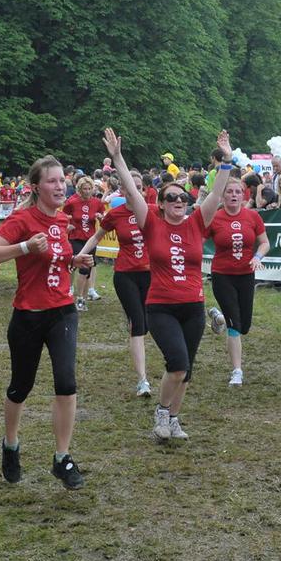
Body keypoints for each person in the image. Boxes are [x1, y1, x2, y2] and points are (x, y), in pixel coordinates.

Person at [0, 155, 94, 489]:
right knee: (20, 387)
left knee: (66, 382)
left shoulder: (63, 219)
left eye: (62, 180)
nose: (60, 186)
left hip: (63, 311)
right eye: (52, 181)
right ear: (36, 187)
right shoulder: (22, 219)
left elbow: (55, 260)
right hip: (28, 315)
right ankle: (10, 444)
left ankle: (62, 457)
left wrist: (73, 259)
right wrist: (25, 247)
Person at [107, 127, 231, 441]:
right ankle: (162, 412)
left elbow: (216, 194)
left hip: (193, 307)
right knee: (176, 363)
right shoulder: (151, 224)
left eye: (182, 197)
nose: (178, 200)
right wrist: (118, 158)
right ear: (161, 204)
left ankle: (174, 419)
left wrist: (226, 161)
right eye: (171, 197)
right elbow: (132, 191)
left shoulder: (196, 223)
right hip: (161, 307)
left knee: (186, 370)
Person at [76, 170, 153, 396]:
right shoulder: (115, 214)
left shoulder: (153, 211)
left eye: (139, 187)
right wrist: (79, 255)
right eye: (131, 187)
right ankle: (143, 381)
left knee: (147, 323)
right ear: (122, 189)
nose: (135, 191)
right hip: (125, 274)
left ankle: (135, 325)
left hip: (150, 274)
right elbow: (96, 237)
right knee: (138, 324)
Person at [207, 178, 270, 386]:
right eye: (229, 192)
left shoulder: (252, 217)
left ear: (244, 195)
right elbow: (196, 242)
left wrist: (257, 257)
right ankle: (237, 371)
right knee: (235, 324)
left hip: (246, 274)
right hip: (222, 275)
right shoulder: (215, 218)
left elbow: (265, 243)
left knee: (244, 326)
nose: (234, 195)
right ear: (222, 195)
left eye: (238, 192)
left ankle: (219, 318)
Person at [63, 177, 104, 310]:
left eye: (89, 189)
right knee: (80, 266)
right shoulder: (72, 202)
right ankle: (74, 294)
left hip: (90, 240)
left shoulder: (97, 202)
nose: (87, 191)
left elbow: (104, 220)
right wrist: (67, 224)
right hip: (75, 238)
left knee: (87, 269)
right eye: (84, 189)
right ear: (79, 189)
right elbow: (63, 216)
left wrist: (100, 217)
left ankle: (82, 298)